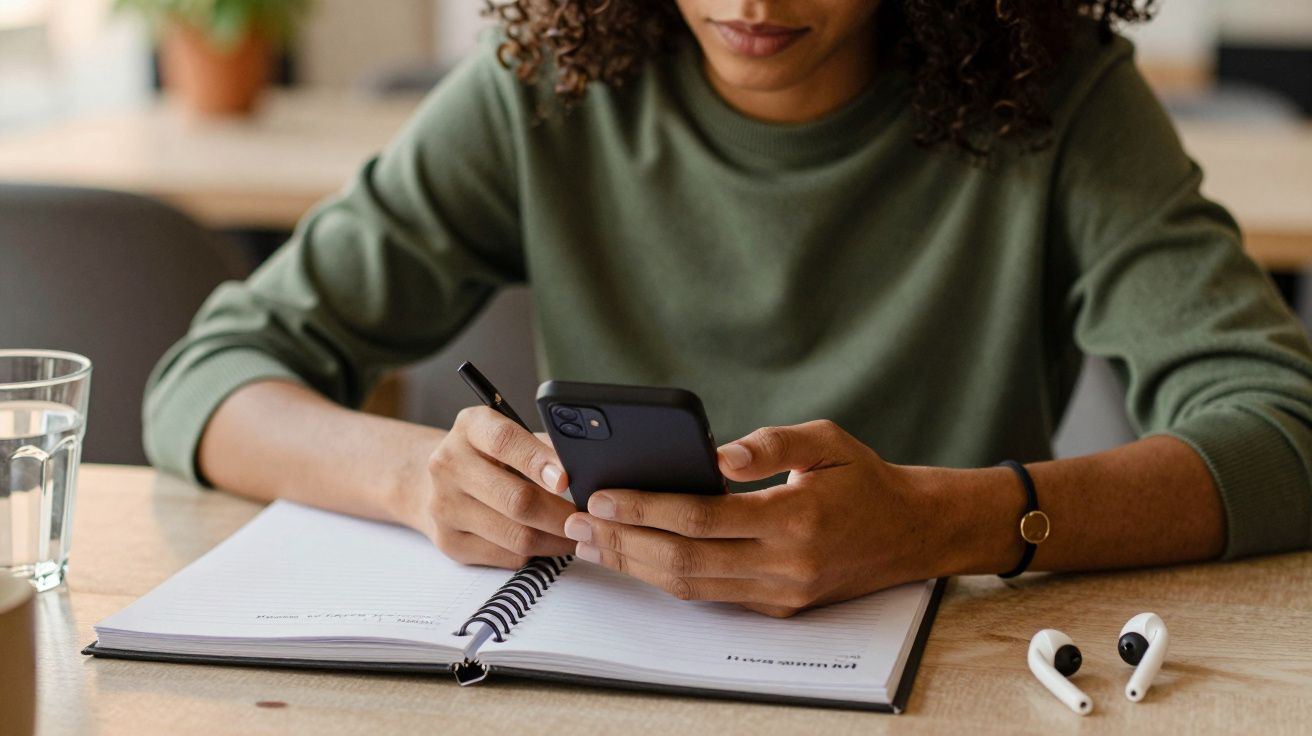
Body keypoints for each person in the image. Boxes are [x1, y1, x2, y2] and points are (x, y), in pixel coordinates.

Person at [144, 1, 1312, 618]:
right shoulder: (547, 91)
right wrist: (416, 480)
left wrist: (945, 522)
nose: (751, 1)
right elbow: (208, 377)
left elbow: (1284, 434)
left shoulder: (1061, 101)